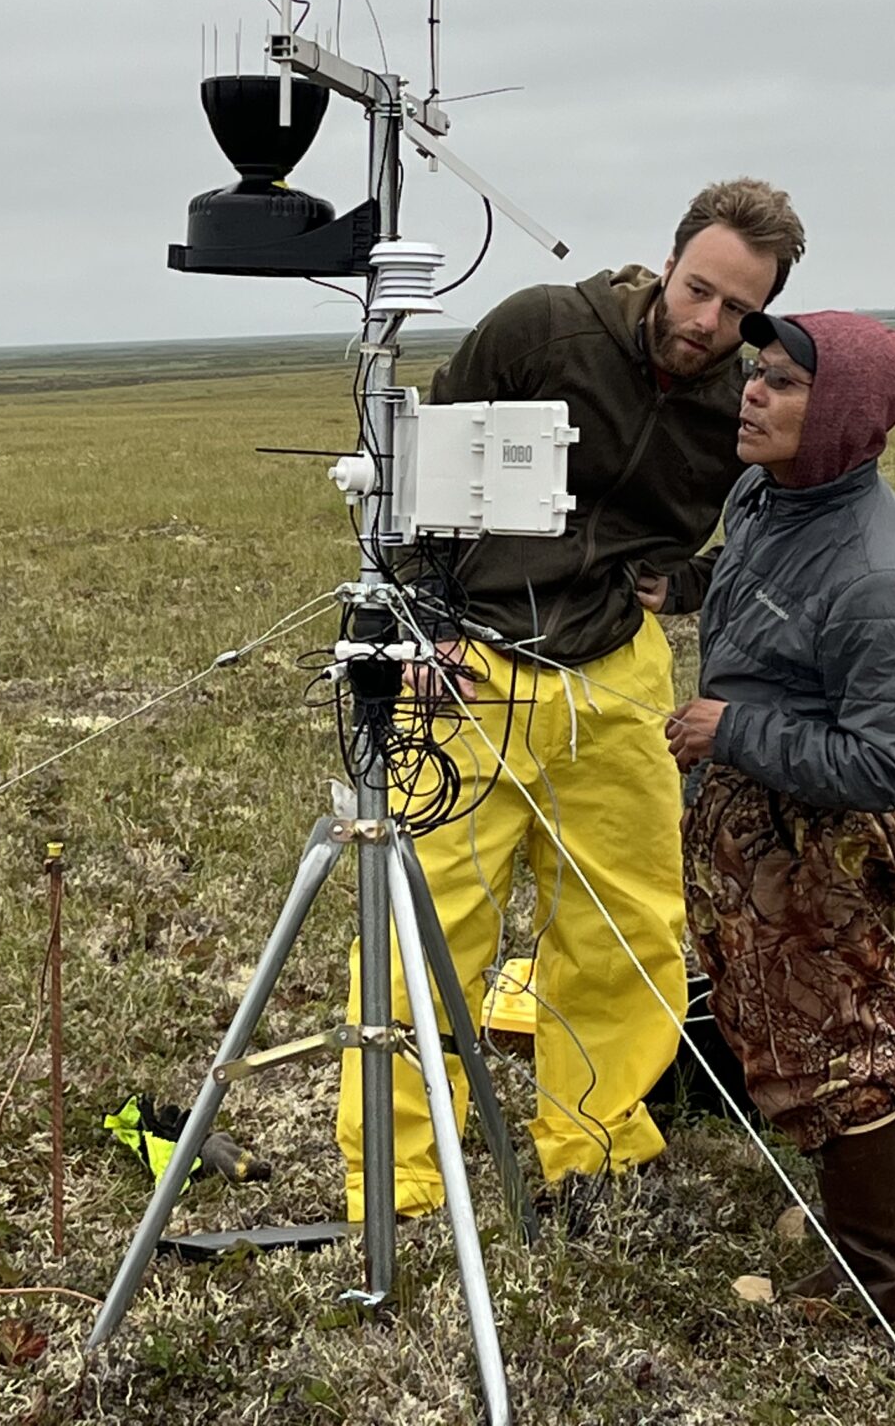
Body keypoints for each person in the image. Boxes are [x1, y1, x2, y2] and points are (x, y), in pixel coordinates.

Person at [337, 178, 811, 1222]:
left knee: (627, 924)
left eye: (737, 312)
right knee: (433, 924)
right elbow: (412, 464)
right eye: (698, 291)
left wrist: (681, 586)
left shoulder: (742, 397)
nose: (707, 324)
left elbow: (781, 523)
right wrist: (419, 619)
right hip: (474, 664)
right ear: (671, 260)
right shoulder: (543, 329)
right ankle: (408, 1179)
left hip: (616, 673)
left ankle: (590, 1147)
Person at [664, 307, 895, 1320]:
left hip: (822, 834)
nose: (752, 391)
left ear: (840, 414)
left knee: (833, 1045)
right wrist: (680, 584)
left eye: (785, 383)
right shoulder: (763, 493)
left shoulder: (884, 577)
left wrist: (731, 731)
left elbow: (888, 763)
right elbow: (747, 578)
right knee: (764, 1024)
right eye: (756, 372)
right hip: (746, 814)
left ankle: (876, 1280)